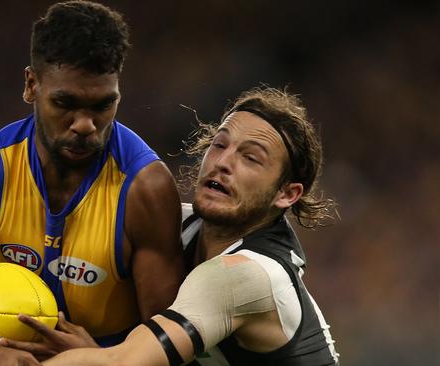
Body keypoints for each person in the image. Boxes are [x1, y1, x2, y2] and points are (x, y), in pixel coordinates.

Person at [0, 1, 185, 365]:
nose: (85, 125)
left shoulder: (144, 189)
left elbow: (172, 348)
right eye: (65, 103)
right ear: (31, 85)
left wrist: (97, 359)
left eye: (103, 105)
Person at [38, 86, 341, 365]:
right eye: (220, 144)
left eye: (250, 158)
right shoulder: (171, 225)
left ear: (286, 194)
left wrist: (91, 357)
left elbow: (123, 363)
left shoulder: (248, 273)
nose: (222, 162)